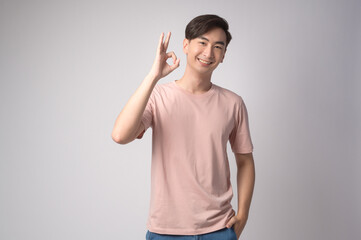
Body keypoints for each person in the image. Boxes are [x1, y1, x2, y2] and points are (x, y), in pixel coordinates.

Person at [111, 14, 255, 240]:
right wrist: (153, 76)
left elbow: (245, 160)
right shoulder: (158, 96)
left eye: (218, 46)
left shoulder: (233, 103)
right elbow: (120, 135)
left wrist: (244, 215)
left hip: (219, 228)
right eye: (202, 43)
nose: (209, 53)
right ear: (186, 45)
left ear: (224, 55)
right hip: (166, 231)